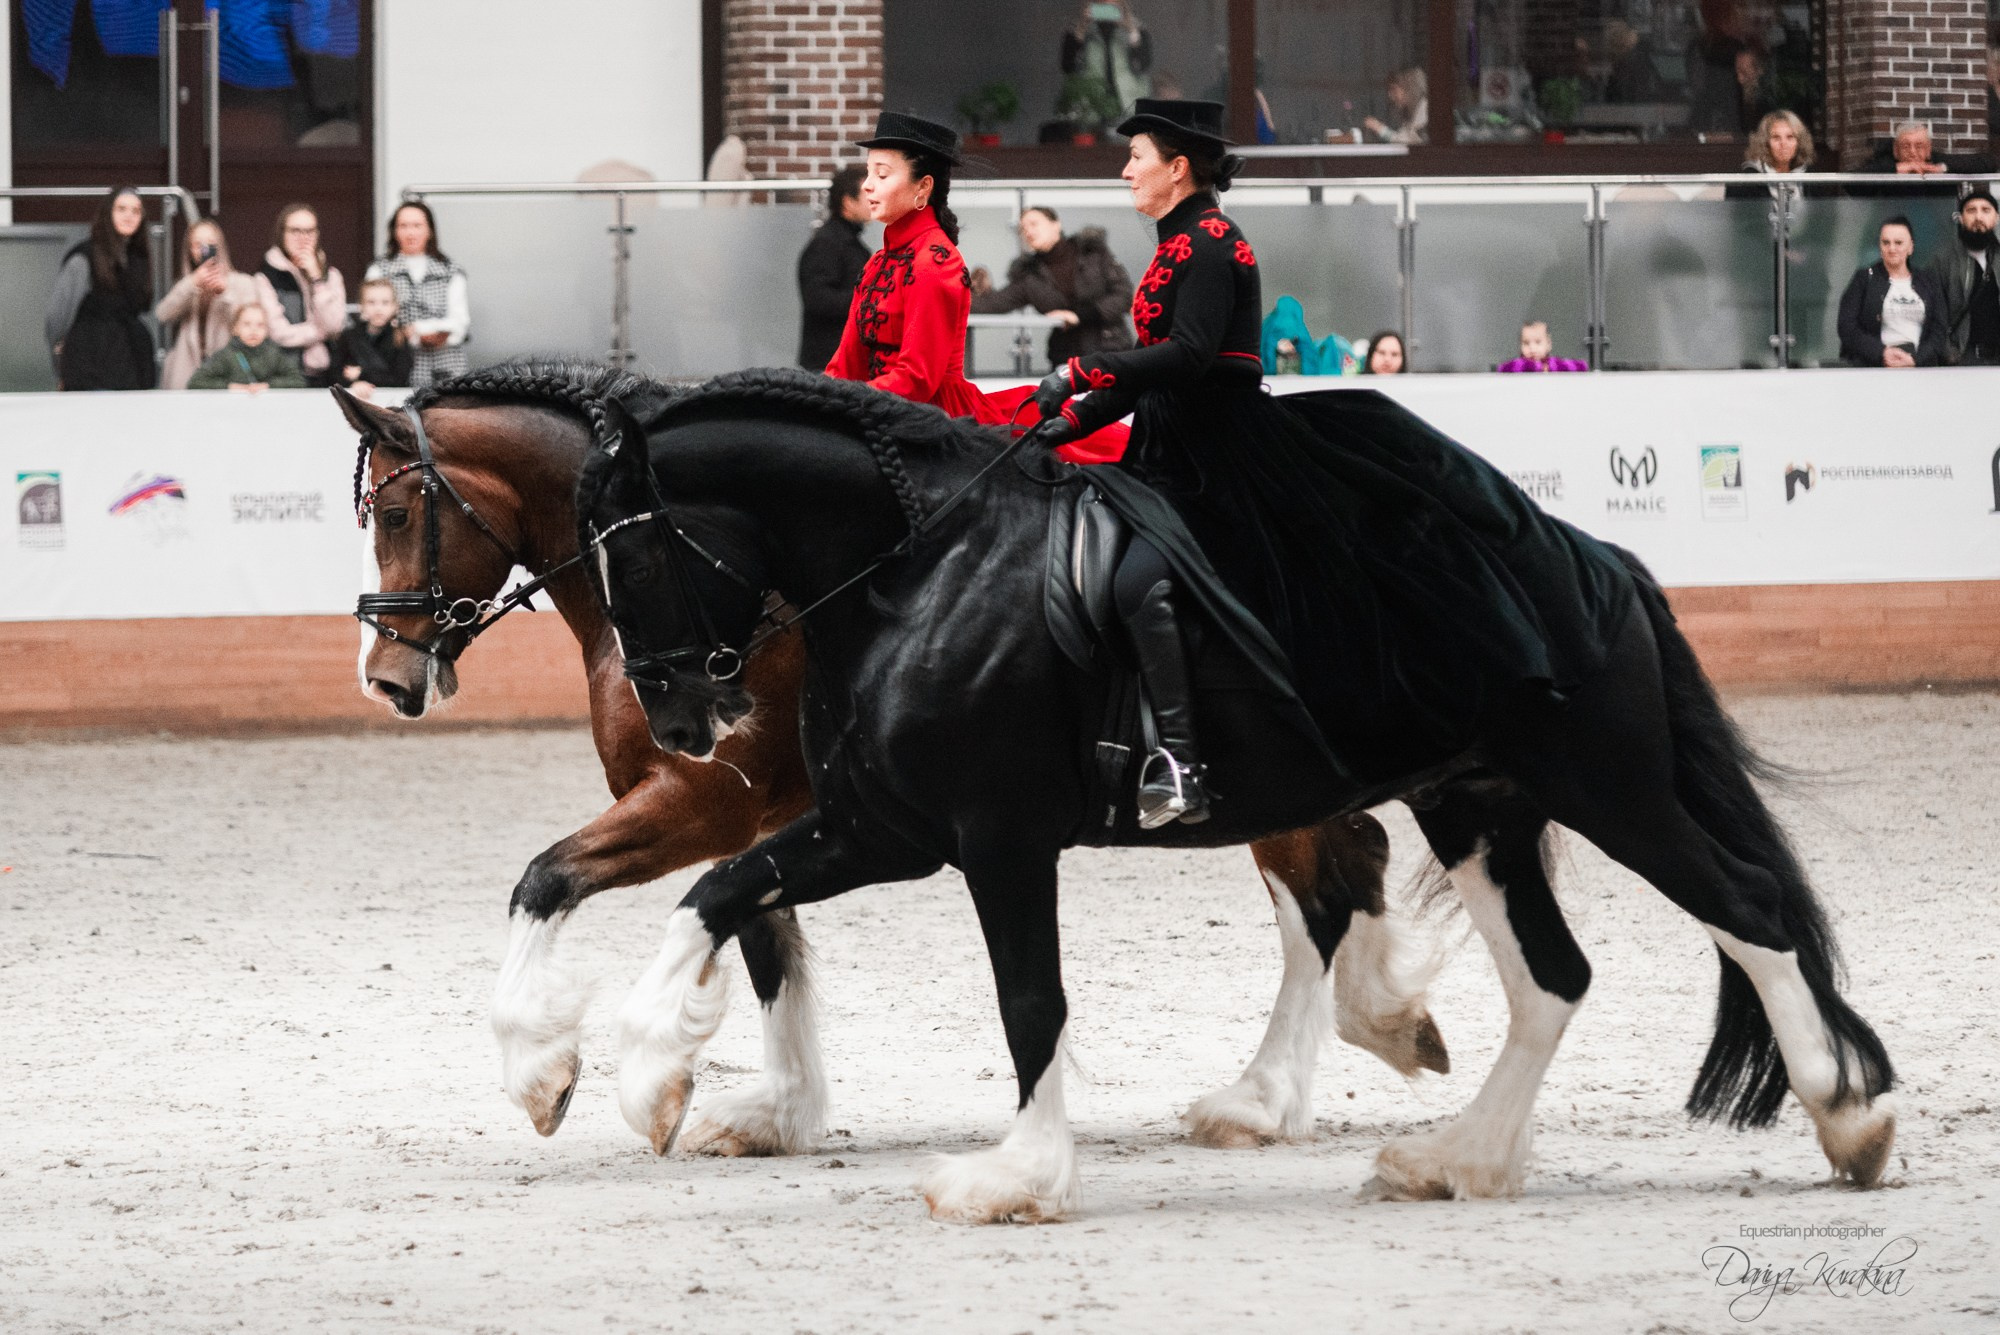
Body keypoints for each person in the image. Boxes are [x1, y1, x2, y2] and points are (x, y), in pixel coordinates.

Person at [1030, 98, 1638, 817]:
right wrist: (1061, 422)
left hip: (1219, 452)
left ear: (1179, 167)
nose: (1126, 169)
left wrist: (1085, 370)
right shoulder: (1171, 246)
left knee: (1136, 582)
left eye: (1137, 157)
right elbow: (1153, 373)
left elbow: (1190, 357)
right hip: (1167, 440)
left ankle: (1184, 764)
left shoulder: (1217, 242)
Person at [971, 205, 1135, 368]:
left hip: (1110, 350)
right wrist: (961, 290)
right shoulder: (1029, 274)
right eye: (1022, 228)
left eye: (1034, 224)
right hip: (1066, 360)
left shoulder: (1092, 253)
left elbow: (1124, 295)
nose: (1028, 231)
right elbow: (994, 303)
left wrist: (1079, 315)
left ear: (1056, 224)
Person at [44, 186, 156, 391]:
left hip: (129, 367)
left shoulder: (137, 259)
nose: (129, 216)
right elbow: (56, 320)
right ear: (108, 213)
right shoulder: (84, 258)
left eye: (136, 210)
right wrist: (61, 368)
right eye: (121, 209)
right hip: (89, 366)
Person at [366, 201, 470, 387]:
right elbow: (369, 318)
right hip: (394, 369)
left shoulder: (450, 271)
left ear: (429, 230)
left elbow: (459, 323)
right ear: (394, 231)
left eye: (417, 226)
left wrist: (417, 329)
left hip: (445, 369)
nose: (410, 233)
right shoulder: (380, 270)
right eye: (403, 226)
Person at [155, 218, 260, 390]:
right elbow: (162, 314)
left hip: (228, 373)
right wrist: (192, 283)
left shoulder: (243, 283)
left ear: (221, 246)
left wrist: (225, 293)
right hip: (187, 369)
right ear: (189, 250)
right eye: (197, 245)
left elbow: (254, 326)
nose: (204, 250)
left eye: (211, 243)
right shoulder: (187, 284)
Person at [1836, 216, 1947, 368]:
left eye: (1899, 243)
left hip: (1920, 371)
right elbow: (1847, 327)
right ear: (1880, 247)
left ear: (1911, 247)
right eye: (1886, 242)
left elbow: (1939, 330)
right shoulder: (1863, 279)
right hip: (1873, 368)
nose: (1892, 248)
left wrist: (1916, 359)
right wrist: (1882, 353)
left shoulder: (1928, 281)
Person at [256, 203, 347, 386]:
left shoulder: (331, 275)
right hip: (284, 374)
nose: (303, 238)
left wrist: (316, 279)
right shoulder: (266, 277)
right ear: (282, 234)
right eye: (295, 231)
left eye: (309, 231)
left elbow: (336, 325)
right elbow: (279, 333)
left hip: (330, 374)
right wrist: (322, 330)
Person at [797, 165, 873, 370]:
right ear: (848, 202)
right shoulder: (827, 244)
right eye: (867, 194)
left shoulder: (848, 243)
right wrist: (870, 299)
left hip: (842, 362)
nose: (874, 201)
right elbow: (818, 300)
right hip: (829, 364)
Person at [1926, 180, 2000, 366]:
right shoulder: (1943, 261)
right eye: (1971, 210)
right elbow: (1933, 314)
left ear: (1996, 218)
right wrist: (1948, 353)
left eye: (1985, 210)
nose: (1978, 217)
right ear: (1961, 218)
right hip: (1962, 358)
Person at [185, 302, 307, 392]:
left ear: (267, 330)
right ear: (235, 328)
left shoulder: (273, 353)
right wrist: (231, 387)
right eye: (247, 324)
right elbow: (196, 382)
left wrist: (268, 386)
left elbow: (298, 381)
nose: (253, 330)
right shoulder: (226, 355)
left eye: (260, 325)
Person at [1061, 2, 1152, 113]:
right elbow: (1068, 66)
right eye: (1102, 7)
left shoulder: (1137, 31)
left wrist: (1131, 30)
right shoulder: (1079, 31)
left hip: (1128, 101)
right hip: (1090, 103)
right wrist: (1081, 28)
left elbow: (1144, 64)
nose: (1107, 12)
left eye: (1113, 8)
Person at [334, 278, 415, 398]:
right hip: (354, 400)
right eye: (371, 302)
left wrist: (362, 374)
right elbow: (335, 373)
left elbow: (399, 378)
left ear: (395, 307)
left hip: (391, 402)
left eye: (385, 302)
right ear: (361, 305)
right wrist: (353, 384)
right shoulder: (349, 336)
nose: (378, 308)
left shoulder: (399, 339)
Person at [1363, 68, 1427, 145]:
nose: (1390, 95)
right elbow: (1402, 137)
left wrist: (1380, 129)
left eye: (1394, 89)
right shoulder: (1410, 111)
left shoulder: (1425, 109)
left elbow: (1413, 142)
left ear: (1409, 88)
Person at [1498, 321, 1587, 373]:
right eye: (1526, 343)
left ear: (1548, 344)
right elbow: (1502, 368)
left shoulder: (1554, 363)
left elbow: (1581, 366)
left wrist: (1549, 367)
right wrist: (1538, 367)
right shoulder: (1519, 364)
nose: (1532, 348)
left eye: (1538, 342)